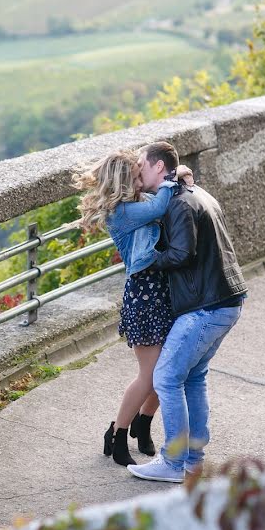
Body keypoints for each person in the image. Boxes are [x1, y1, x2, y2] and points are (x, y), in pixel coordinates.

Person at [126, 141, 248, 484]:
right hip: (227, 300)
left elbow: (182, 254)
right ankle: (193, 463)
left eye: (141, 164)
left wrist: (147, 263)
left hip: (205, 306)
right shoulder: (195, 192)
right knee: (193, 379)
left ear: (159, 168)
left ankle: (173, 462)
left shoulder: (178, 204)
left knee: (165, 378)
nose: (137, 170)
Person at [73, 149, 179, 466]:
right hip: (144, 294)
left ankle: (142, 424)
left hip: (159, 290)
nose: (141, 180)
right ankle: (118, 434)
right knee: (150, 375)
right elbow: (162, 204)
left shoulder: (137, 205)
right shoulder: (122, 212)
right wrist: (173, 179)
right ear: (123, 181)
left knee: (169, 370)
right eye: (136, 176)